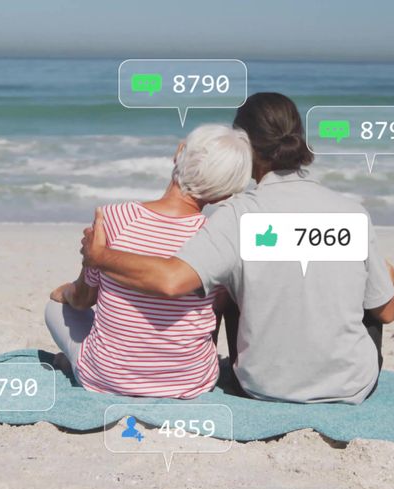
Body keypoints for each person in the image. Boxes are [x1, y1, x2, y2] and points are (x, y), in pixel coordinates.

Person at [81, 93, 394, 404]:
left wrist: (101, 257)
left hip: (260, 386)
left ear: (245, 147)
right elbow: (388, 312)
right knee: (371, 295)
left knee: (231, 282)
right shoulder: (351, 213)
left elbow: (171, 281)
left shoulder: (237, 215)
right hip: (349, 387)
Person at [45, 124, 253, 398]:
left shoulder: (115, 218)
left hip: (109, 379)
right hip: (189, 383)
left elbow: (83, 299)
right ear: (227, 193)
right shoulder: (216, 239)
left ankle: (78, 362)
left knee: (56, 307)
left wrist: (64, 292)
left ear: (179, 153)